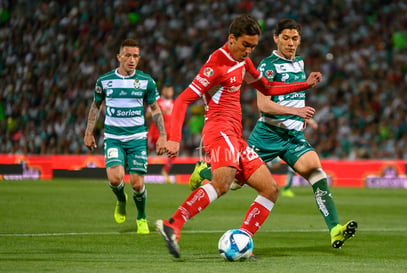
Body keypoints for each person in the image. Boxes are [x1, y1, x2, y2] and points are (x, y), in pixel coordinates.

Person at [156, 14, 321, 258]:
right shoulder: (216, 65)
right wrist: (174, 139)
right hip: (218, 132)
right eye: (245, 45)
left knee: (270, 189)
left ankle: (243, 239)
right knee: (222, 184)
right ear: (231, 39)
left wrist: (303, 85)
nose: (249, 51)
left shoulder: (243, 63)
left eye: (253, 47)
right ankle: (173, 224)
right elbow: (182, 100)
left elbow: (267, 87)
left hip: (235, 136)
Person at [190, 18, 357, 249]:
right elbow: (263, 105)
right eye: (286, 38)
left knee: (316, 171)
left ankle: (335, 229)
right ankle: (204, 172)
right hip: (267, 135)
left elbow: (293, 97)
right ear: (276, 39)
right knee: (233, 182)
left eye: (295, 39)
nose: (290, 43)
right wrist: (296, 111)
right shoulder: (268, 65)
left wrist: (303, 118)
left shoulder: (299, 63)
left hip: (293, 138)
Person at [84, 39, 167, 234]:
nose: (131, 60)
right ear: (119, 57)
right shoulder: (104, 81)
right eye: (128, 55)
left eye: (135, 56)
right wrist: (88, 132)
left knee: (137, 184)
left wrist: (162, 135)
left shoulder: (146, 81)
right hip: (113, 137)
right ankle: (121, 200)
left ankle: (141, 217)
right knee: (115, 179)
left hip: (137, 138)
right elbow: (95, 106)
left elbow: (155, 109)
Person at [147, 84, 175, 183]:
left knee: (173, 152)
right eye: (167, 90)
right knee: (146, 151)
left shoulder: (173, 104)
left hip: (168, 133)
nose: (169, 92)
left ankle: (165, 171)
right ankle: (138, 170)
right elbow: (147, 115)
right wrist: (161, 112)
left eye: (170, 90)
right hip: (155, 132)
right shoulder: (156, 102)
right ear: (163, 90)